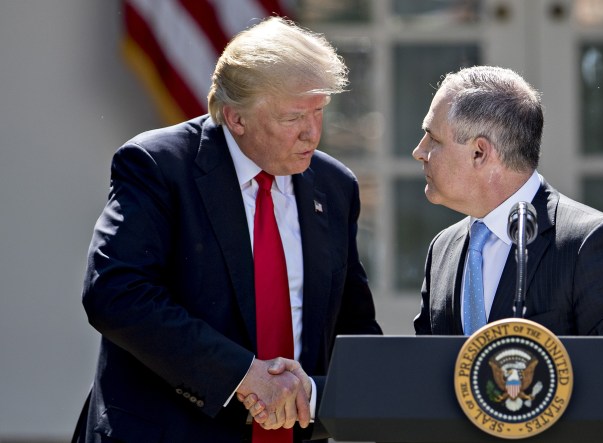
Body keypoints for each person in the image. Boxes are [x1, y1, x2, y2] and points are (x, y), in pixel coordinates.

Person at [73, 17, 382, 443]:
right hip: (171, 431)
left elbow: (354, 325)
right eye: (293, 117)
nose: (312, 132)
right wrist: (242, 376)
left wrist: (316, 394)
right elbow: (115, 293)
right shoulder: (158, 166)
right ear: (236, 119)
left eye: (318, 111)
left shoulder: (334, 185)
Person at [412, 65, 603, 337]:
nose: (419, 151)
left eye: (433, 139)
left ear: (479, 152)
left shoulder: (593, 245)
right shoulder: (443, 248)